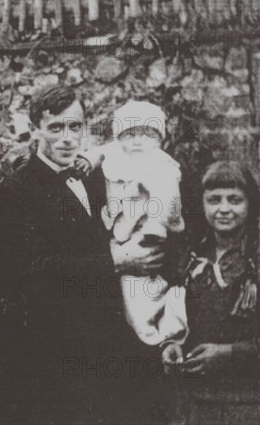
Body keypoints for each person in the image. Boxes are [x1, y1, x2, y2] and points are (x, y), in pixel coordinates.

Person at [0, 86, 169, 425]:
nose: (67, 138)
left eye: (76, 127)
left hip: (111, 341)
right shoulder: (16, 190)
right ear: (35, 128)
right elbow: (32, 270)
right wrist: (116, 261)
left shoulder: (95, 179)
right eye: (56, 128)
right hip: (59, 352)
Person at [162, 161, 260, 425]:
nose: (224, 209)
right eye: (214, 200)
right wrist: (173, 346)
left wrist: (228, 353)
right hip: (196, 406)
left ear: (250, 205)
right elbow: (179, 322)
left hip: (252, 406)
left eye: (234, 200)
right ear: (202, 204)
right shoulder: (190, 261)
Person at [76, 100, 188, 346]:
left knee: (140, 286)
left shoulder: (162, 164)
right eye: (130, 134)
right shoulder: (117, 154)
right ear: (120, 136)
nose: (138, 142)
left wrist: (155, 227)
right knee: (130, 288)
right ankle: (150, 326)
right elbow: (100, 151)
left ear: (159, 138)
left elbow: (167, 200)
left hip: (151, 230)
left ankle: (158, 333)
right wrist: (87, 159)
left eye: (147, 135)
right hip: (120, 232)